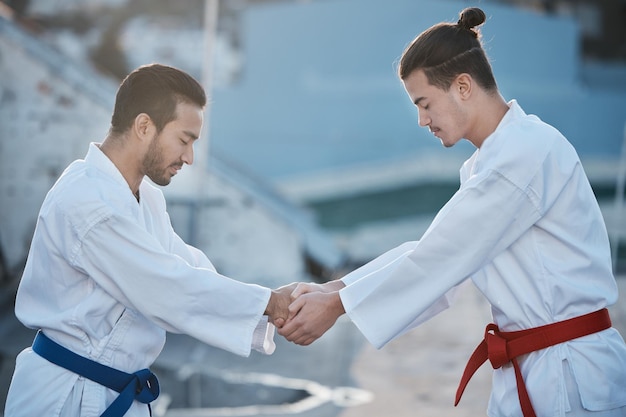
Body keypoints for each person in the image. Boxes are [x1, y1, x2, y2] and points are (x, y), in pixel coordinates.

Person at [278, 7, 626, 417]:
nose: (422, 120)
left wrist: (339, 304)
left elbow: (441, 257)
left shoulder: (524, 154)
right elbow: (437, 254)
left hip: (568, 375)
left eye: (425, 103)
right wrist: (336, 290)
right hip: (535, 368)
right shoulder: (493, 160)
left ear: (463, 86)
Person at [4, 63, 293, 417]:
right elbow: (167, 288)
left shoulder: (145, 196)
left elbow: (186, 266)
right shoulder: (86, 201)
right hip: (69, 397)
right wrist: (269, 303)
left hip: (115, 390)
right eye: (184, 140)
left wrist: (275, 300)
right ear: (144, 126)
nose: (188, 157)